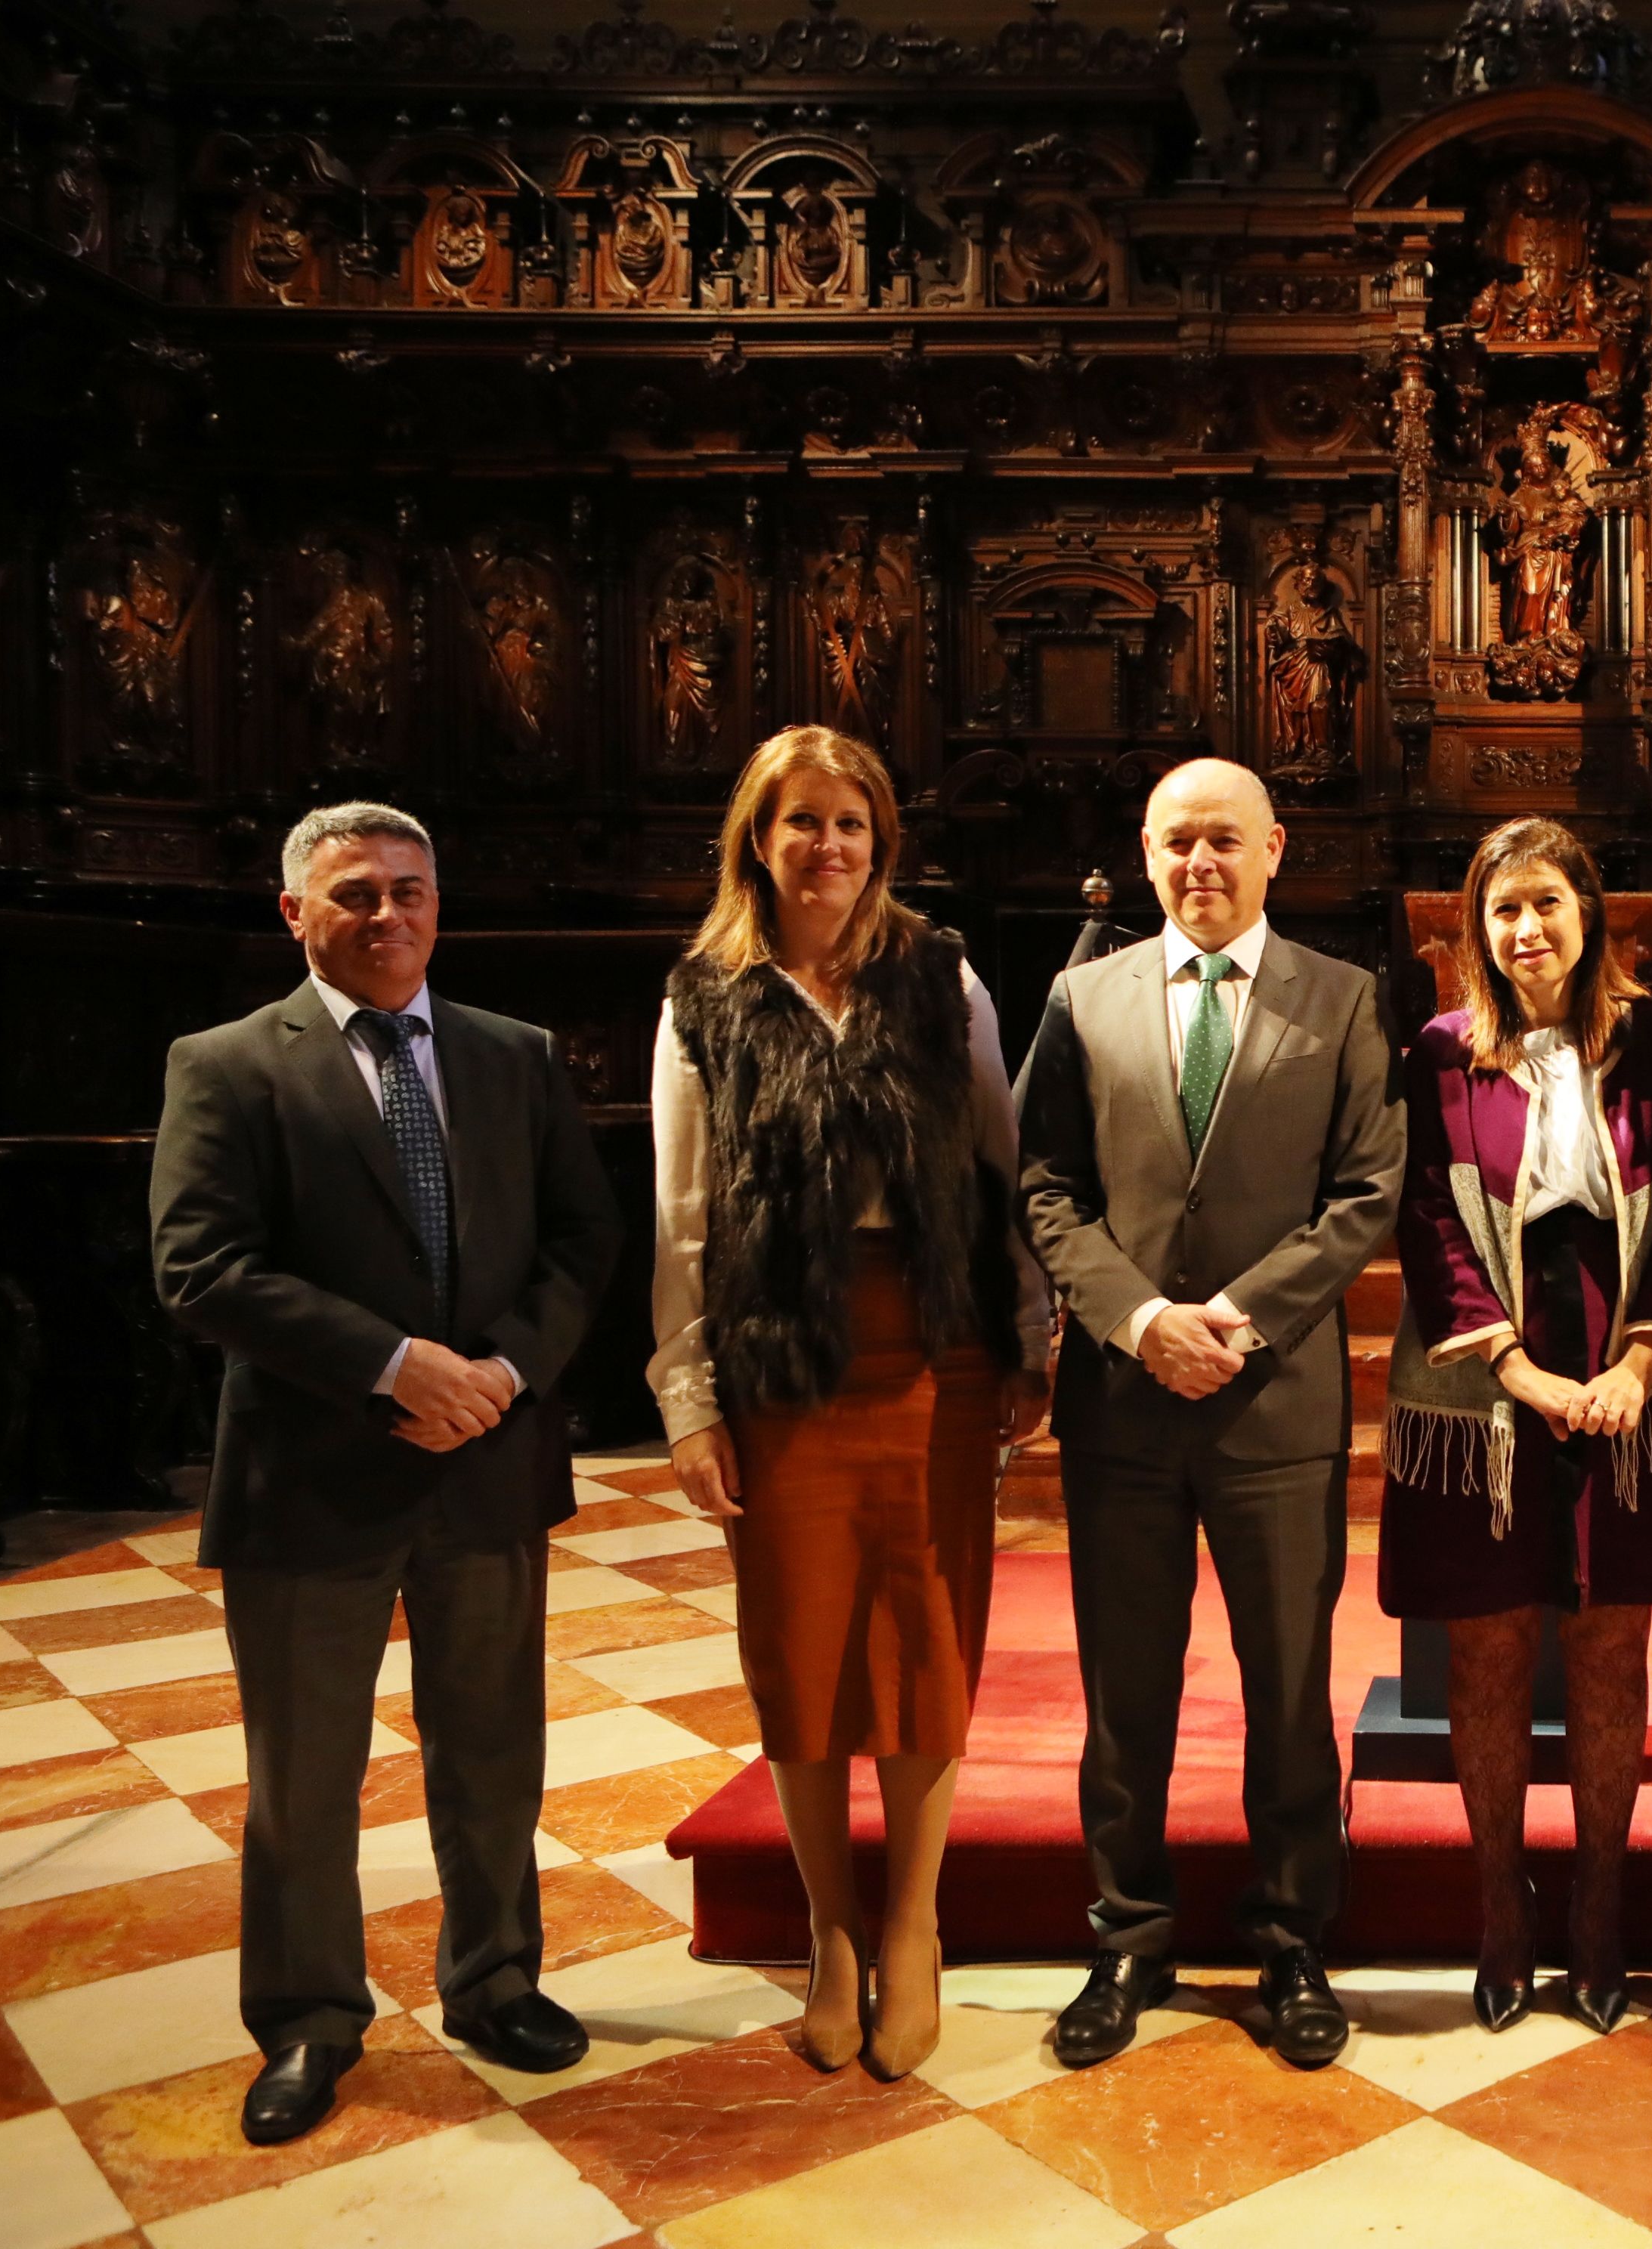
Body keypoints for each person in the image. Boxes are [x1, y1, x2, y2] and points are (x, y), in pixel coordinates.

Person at [149, 802, 620, 2145]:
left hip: (485, 1465)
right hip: (312, 1478)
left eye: (411, 890)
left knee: (492, 1752)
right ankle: (307, 2020)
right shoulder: (230, 1064)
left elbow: (585, 1240)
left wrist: (503, 1374)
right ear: (294, 913)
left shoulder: (512, 1056)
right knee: (304, 1777)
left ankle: (495, 1982)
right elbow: (200, 1268)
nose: (390, 915)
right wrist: (393, 1363)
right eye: (355, 894)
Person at [648, 725, 1053, 2082]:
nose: (828, 847)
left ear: (884, 842)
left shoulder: (943, 976)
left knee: (929, 1639)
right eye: (802, 821)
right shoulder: (704, 994)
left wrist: (1028, 1336)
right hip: (782, 1365)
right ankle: (831, 1932)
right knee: (805, 1647)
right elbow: (683, 1215)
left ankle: (916, 1924)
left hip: (932, 1352)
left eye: (853, 825)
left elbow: (1000, 1167)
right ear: (756, 839)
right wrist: (690, 1397)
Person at [1016, 756, 1407, 2070]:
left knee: (1288, 1687)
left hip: (1272, 1402)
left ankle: (1294, 1935)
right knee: (1126, 1694)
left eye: (1226, 841)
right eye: (1179, 841)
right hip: (1125, 1403)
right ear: (1144, 850)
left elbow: (1364, 1197)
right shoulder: (1083, 998)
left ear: (1276, 849)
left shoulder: (1344, 999)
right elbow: (1049, 1187)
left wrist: (1227, 1324)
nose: (1202, 864)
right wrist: (1140, 1321)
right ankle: (1126, 1936)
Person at [1382, 818, 1652, 2036]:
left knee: (1614, 1651)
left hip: (1622, 1348)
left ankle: (1601, 1914)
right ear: (1477, 928)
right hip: (1485, 1376)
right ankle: (1500, 1911)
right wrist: (1515, 1368)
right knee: (1488, 1651)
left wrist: (1639, 1358)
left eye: (1546, 906)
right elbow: (1425, 1210)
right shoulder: (1437, 1051)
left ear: (1592, 916)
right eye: (1502, 911)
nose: (1526, 931)